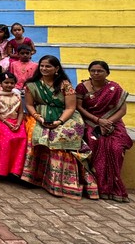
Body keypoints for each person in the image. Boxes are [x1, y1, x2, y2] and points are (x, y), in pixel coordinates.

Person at [21, 55, 98, 200]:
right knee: (37, 135)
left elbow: (70, 107)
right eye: (42, 66)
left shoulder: (65, 85)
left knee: (63, 137)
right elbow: (30, 105)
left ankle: (64, 183)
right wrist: (39, 117)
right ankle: (35, 178)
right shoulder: (32, 84)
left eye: (48, 66)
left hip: (65, 116)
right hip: (40, 115)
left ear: (56, 69)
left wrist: (59, 122)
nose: (44, 69)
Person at [75, 60, 133, 202]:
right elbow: (79, 108)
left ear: (107, 72)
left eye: (99, 71)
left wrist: (108, 122)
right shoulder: (82, 87)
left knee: (116, 148)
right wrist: (98, 121)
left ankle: (114, 188)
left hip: (113, 123)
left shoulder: (114, 88)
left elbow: (122, 109)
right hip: (91, 123)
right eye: (93, 70)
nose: (96, 73)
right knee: (96, 143)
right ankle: (98, 187)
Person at [0, 72, 26, 177]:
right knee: (7, 139)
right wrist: (7, 123)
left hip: (16, 121)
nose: (9, 85)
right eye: (6, 83)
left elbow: (20, 112)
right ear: (1, 84)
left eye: (12, 83)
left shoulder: (17, 96)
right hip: (2, 121)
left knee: (22, 138)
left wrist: (19, 124)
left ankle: (15, 170)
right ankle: (3, 170)